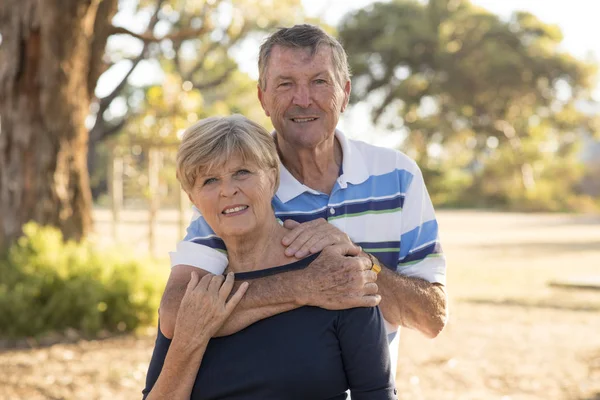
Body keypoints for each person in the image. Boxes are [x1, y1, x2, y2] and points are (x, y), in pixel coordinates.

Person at [161, 24, 448, 379]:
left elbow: (432, 318)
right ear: (263, 97)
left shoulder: (398, 176)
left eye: (319, 82)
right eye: (285, 84)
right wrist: (305, 285)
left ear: (344, 93)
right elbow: (176, 312)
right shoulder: (238, 187)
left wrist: (358, 261)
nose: (303, 99)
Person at [143, 115, 397, 399]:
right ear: (193, 198)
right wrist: (190, 339)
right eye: (210, 180)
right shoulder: (197, 293)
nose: (228, 190)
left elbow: (377, 393)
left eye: (242, 172)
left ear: (273, 177)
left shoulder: (336, 278)